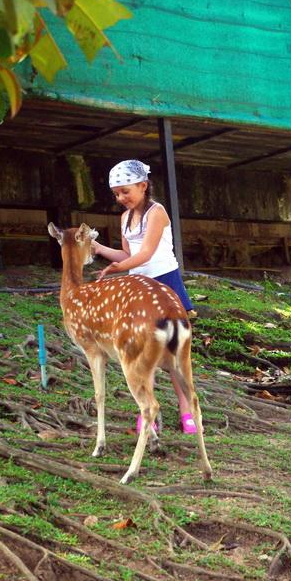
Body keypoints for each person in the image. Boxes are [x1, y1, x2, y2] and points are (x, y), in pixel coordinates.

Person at [91, 159, 197, 435]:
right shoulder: (125, 219)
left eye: (125, 191)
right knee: (142, 352)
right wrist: (99, 248)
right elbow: (128, 255)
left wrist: (117, 269)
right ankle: (148, 412)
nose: (121, 198)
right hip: (139, 288)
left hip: (165, 282)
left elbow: (146, 253)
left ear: (143, 185)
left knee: (173, 352)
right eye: (116, 194)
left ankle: (186, 409)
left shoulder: (157, 212)